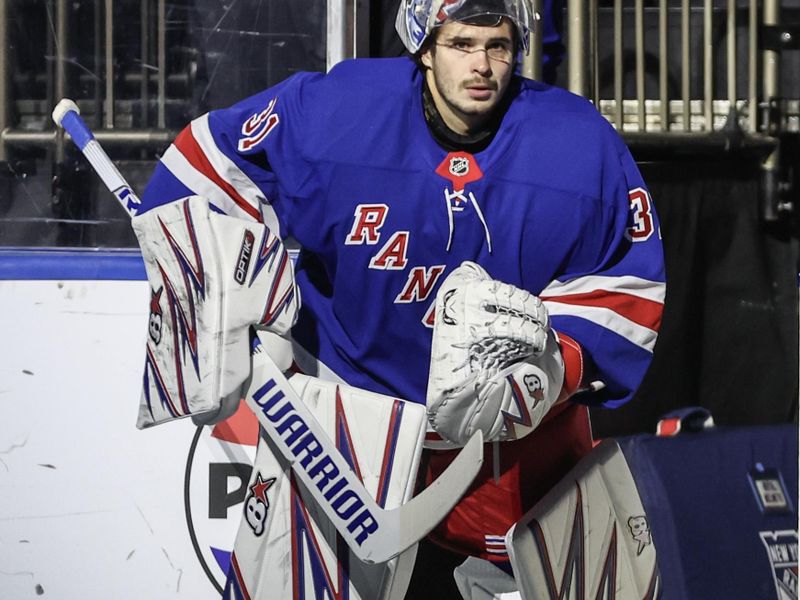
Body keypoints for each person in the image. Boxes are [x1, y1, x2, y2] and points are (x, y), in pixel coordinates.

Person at [138, 0, 665, 596]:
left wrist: (556, 364)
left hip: (512, 450)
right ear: (423, 44)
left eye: (499, 46)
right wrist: (210, 296)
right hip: (347, 433)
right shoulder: (336, 113)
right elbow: (204, 166)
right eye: (463, 44)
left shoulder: (578, 144)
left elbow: (627, 277)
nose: (484, 66)